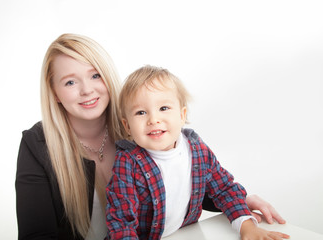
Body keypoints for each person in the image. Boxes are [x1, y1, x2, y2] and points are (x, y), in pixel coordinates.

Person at [15, 33, 286, 240]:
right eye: (70, 82)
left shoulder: (142, 124)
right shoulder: (37, 145)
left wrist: (239, 204)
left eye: (95, 75)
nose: (87, 90)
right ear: (54, 93)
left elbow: (181, 185)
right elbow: (37, 234)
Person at [105, 65, 290, 240]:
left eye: (163, 108)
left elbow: (224, 189)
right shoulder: (127, 162)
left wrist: (248, 227)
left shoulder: (195, 148)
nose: (154, 119)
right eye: (141, 112)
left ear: (182, 115)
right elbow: (121, 219)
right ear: (127, 126)